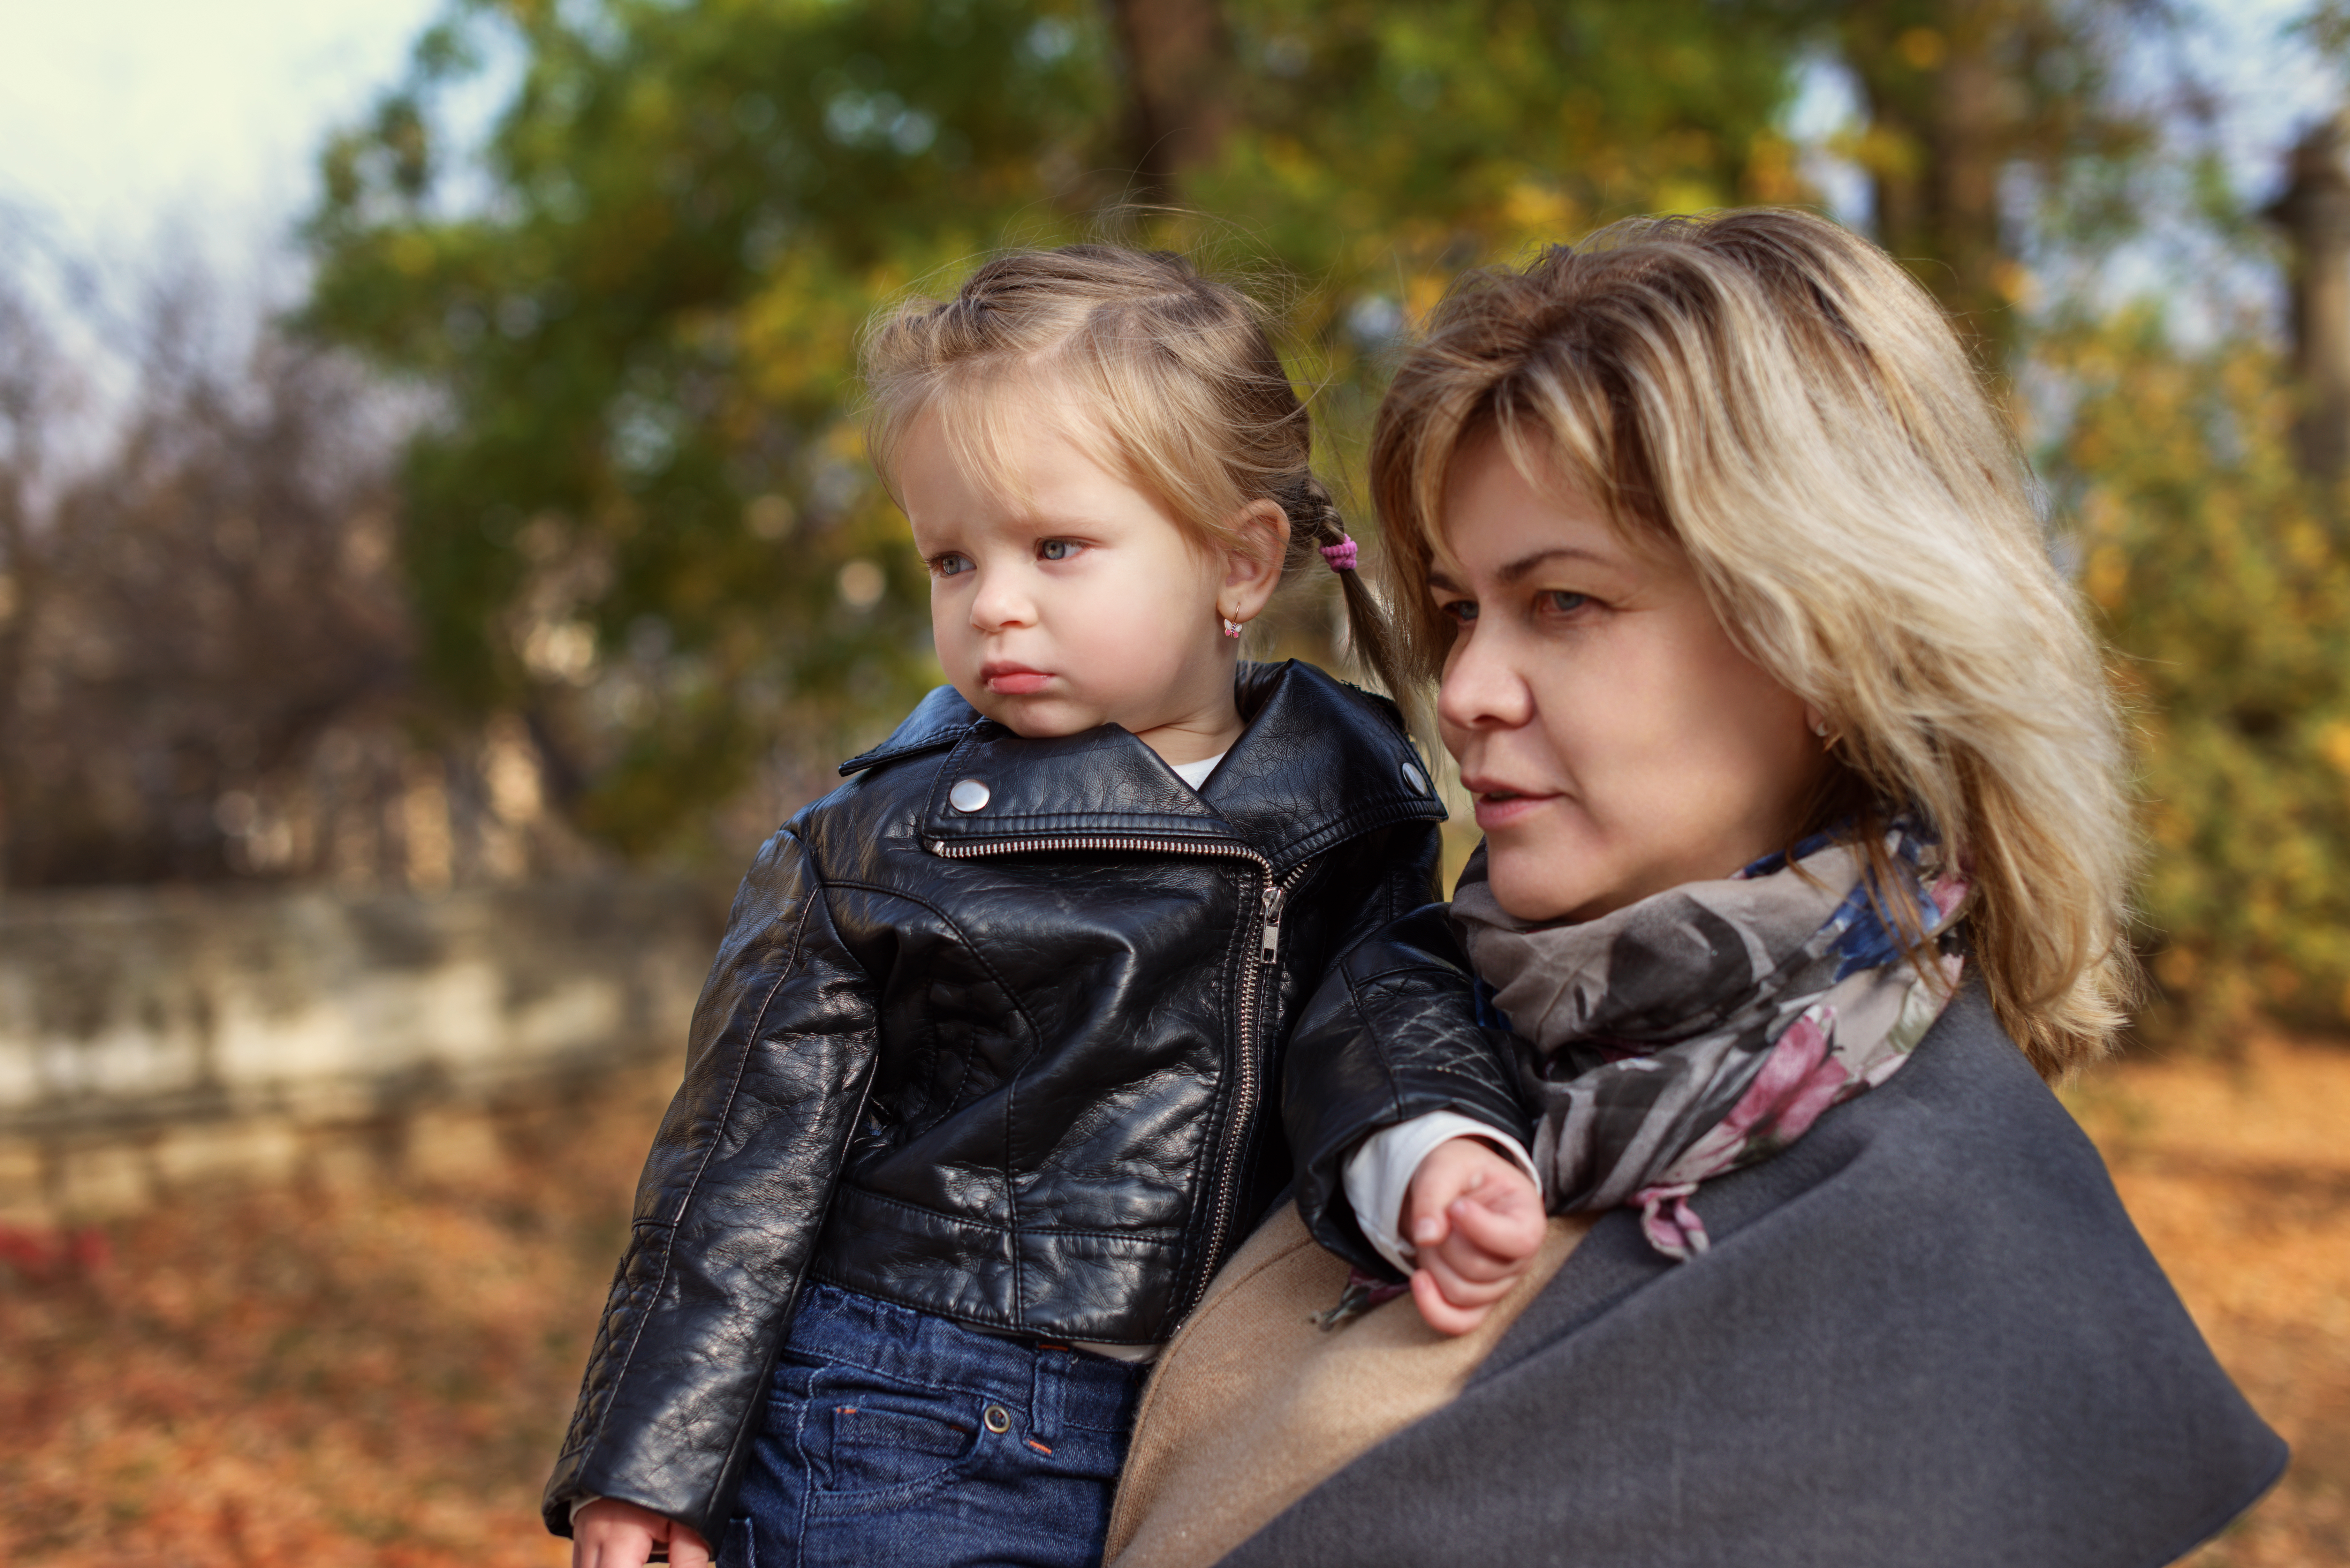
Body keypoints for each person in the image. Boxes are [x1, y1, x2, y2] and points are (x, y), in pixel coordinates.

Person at [1103, 210, 2287, 1568]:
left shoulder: (1964, 1272)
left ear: (1832, 646)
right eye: (1461, 608)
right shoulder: (1385, 1019)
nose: (1470, 692)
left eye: (1563, 602)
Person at [541, 245, 1540, 1568]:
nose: (994, 604)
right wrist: (650, 1464)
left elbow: (1381, 1012)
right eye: (951, 561)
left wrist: (1436, 1147)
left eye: (1055, 546)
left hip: (1212, 1402)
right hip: (903, 1411)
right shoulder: (877, 842)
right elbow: (737, 1173)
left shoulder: (1358, 800)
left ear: (1238, 563)